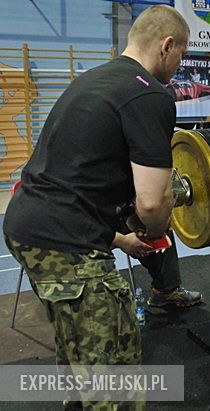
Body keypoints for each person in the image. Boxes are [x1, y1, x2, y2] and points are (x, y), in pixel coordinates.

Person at [3, 5, 190, 408]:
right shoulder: (150, 95)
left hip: (28, 227)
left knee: (79, 348)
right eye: (182, 55)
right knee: (115, 361)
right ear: (167, 46)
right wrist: (154, 229)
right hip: (63, 239)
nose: (180, 65)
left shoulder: (96, 79)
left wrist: (118, 238)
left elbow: (78, 181)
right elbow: (153, 201)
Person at [112, 230, 202, 307]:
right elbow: (99, 231)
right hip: (103, 237)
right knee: (157, 228)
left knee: (158, 227)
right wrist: (122, 241)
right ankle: (166, 290)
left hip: (109, 227)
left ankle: (165, 289)